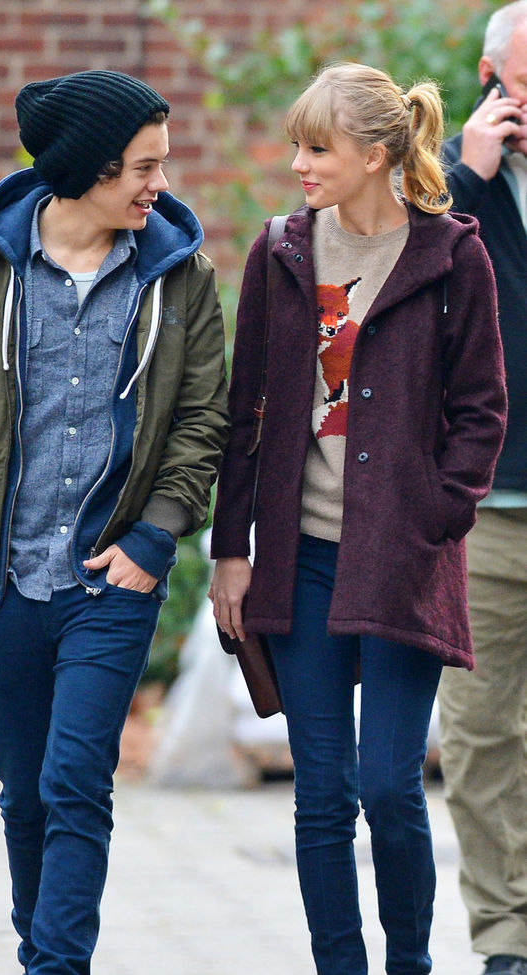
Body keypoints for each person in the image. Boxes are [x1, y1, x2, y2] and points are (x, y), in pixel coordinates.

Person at [0, 69, 228, 975]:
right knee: (24, 797)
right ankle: (38, 949)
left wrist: (155, 535)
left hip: (111, 578)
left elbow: (203, 418)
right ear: (87, 167)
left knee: (76, 781)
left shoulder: (180, 276)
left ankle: (56, 966)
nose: (160, 184)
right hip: (1, 579)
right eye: (143, 167)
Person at [208, 62, 507, 975]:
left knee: (389, 785)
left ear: (375, 156)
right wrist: (230, 549)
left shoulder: (451, 257)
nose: (298, 164)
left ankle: (409, 962)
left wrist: (436, 514)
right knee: (323, 796)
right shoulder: (281, 252)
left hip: (403, 558)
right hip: (299, 559)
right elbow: (246, 411)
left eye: (317, 148)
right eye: (297, 147)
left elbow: (482, 410)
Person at [437, 4, 527, 974]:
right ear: (490, 78)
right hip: (488, 509)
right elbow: (402, 293)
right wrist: (468, 175)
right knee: (481, 734)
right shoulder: (445, 187)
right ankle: (507, 939)